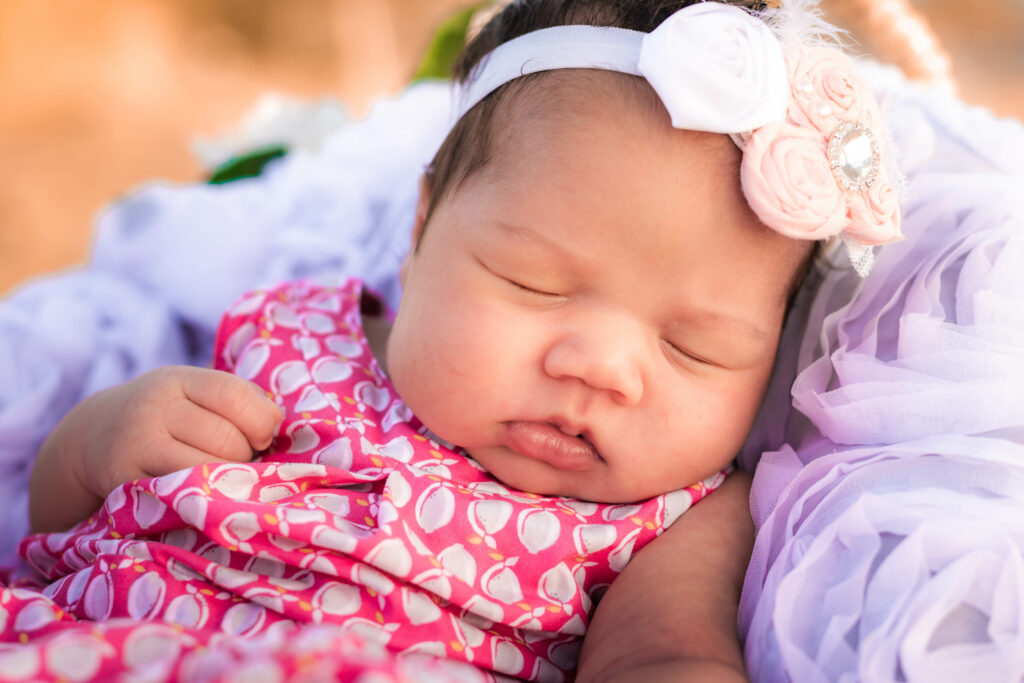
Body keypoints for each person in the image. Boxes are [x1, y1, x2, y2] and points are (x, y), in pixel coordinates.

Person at [19, 0, 901, 680]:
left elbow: (662, 658)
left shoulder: (681, 517)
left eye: (693, 346)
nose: (599, 368)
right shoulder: (296, 335)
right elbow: (62, 523)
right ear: (423, 224)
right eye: (535, 285)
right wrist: (99, 441)